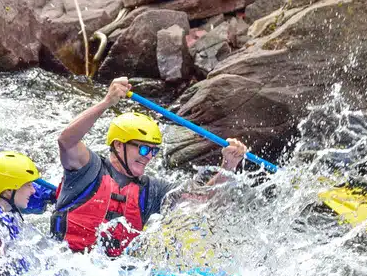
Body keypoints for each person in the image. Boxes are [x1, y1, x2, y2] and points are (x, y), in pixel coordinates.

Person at [52, 76, 248, 257]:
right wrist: (106, 102)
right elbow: (66, 141)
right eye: (144, 150)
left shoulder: (152, 190)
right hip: (68, 264)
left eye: (154, 151)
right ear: (119, 145)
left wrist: (228, 165)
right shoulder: (88, 170)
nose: (149, 157)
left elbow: (201, 201)